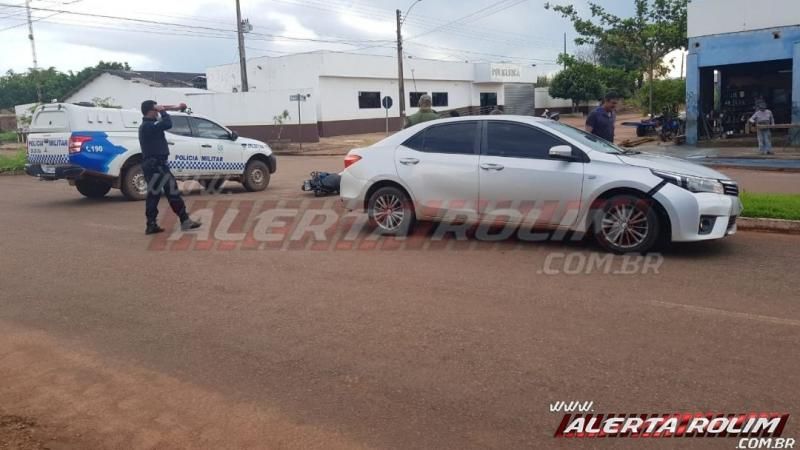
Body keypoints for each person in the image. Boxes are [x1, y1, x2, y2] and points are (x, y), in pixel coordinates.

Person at [138, 100, 201, 235]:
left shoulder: (148, 125)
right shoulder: (148, 126)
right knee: (172, 193)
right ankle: (184, 221)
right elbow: (168, 123)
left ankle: (152, 224)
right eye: (156, 110)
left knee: (154, 195)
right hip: (157, 165)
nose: (158, 113)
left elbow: (164, 118)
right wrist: (162, 111)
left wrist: (176, 107)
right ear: (151, 111)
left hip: (154, 164)